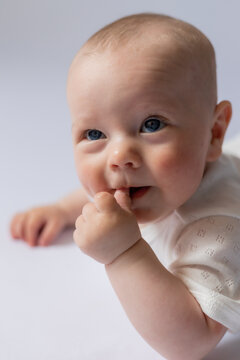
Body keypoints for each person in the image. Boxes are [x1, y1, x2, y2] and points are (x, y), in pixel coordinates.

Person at [10, 13, 240, 359]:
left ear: (213, 133)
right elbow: (113, 195)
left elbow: (193, 342)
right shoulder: (155, 180)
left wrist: (124, 254)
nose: (118, 157)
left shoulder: (214, 228)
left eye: (150, 124)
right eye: (94, 134)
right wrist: (62, 210)